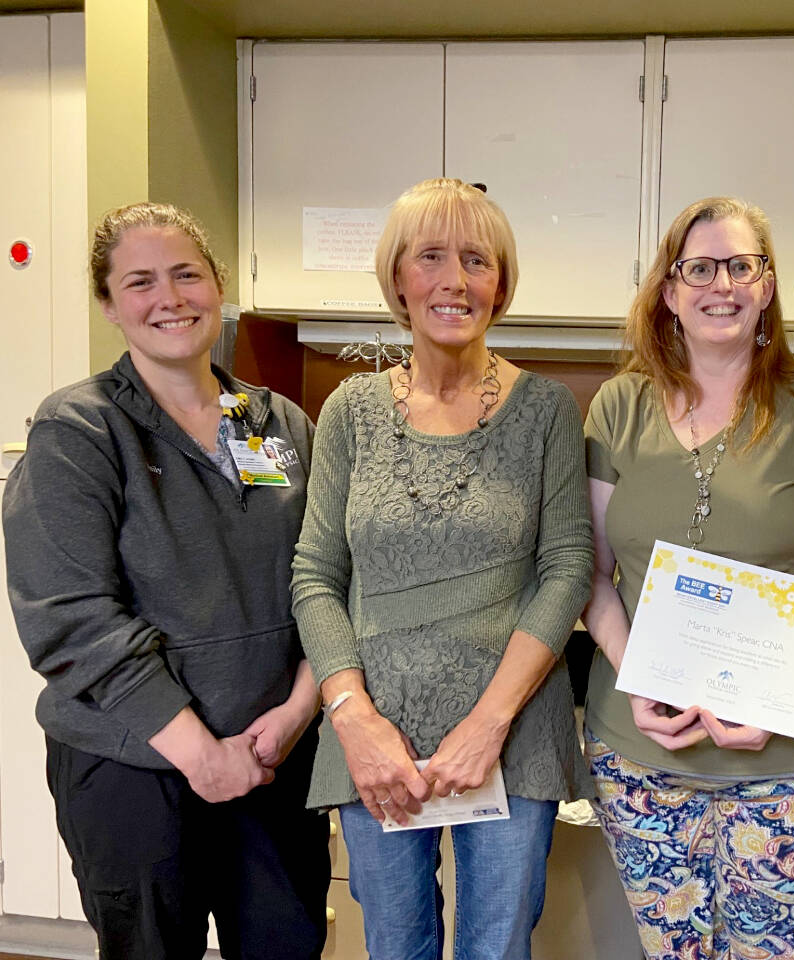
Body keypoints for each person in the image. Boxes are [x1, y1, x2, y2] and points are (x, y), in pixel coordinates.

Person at [3, 202, 329, 959]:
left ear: (218, 286)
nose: (171, 298)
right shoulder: (79, 431)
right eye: (141, 282)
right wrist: (200, 753)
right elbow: (71, 618)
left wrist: (296, 713)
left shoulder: (271, 422)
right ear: (110, 305)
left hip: (272, 758)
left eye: (187, 274)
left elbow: (324, 580)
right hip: (136, 766)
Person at [583, 196, 794, 959]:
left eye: (741, 265)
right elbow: (593, 576)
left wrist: (778, 696)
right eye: (698, 267)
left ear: (766, 286)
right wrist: (642, 680)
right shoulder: (618, 406)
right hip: (646, 761)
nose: (719, 284)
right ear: (668, 290)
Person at [291, 178, 593, 960]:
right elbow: (316, 575)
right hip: (375, 742)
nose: (454, 281)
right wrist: (353, 718)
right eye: (430, 257)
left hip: (513, 730)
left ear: (502, 281)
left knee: (496, 947)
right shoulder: (350, 412)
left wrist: (487, 725)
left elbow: (566, 568)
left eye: (476, 260)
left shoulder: (548, 410)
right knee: (395, 945)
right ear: (398, 278)